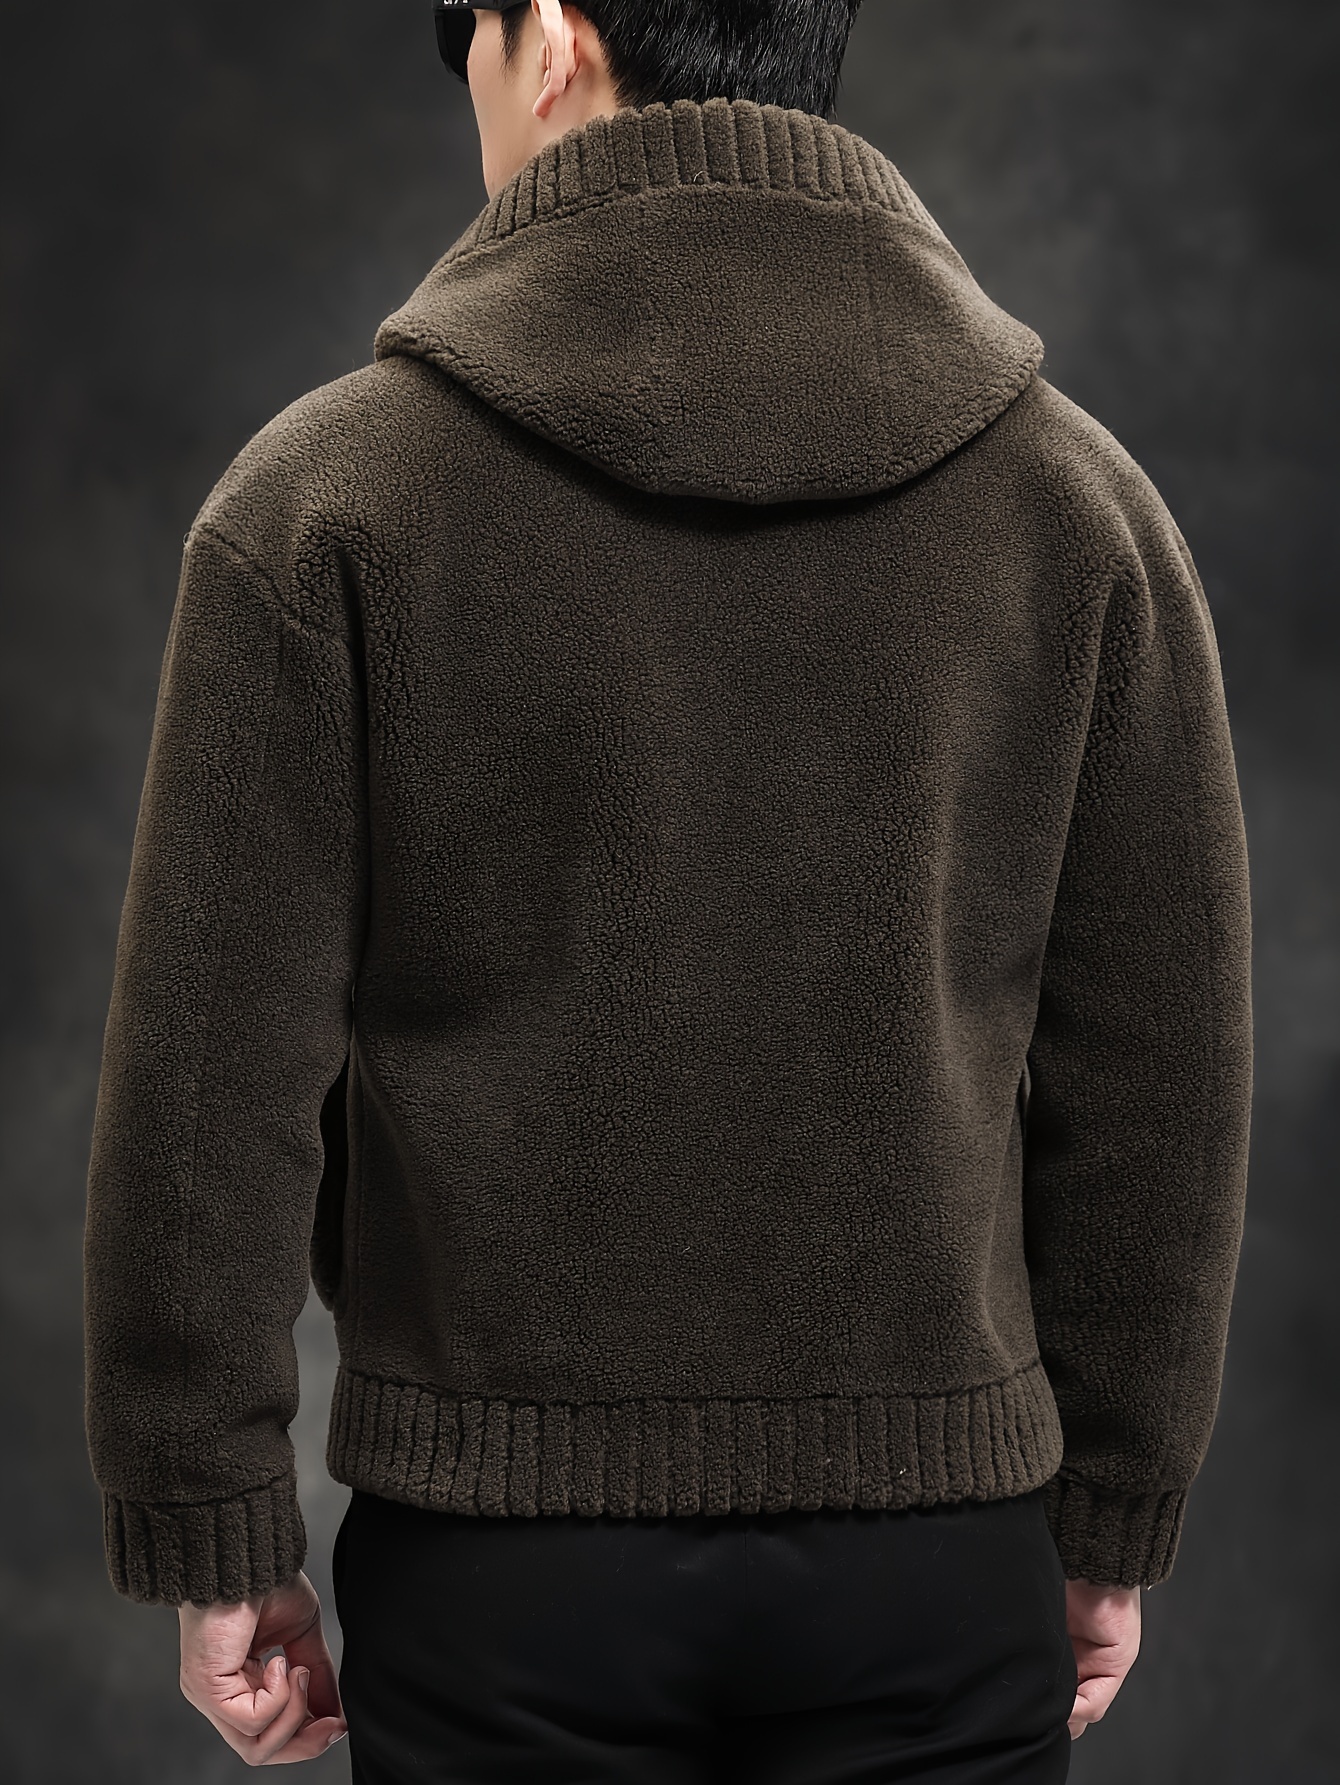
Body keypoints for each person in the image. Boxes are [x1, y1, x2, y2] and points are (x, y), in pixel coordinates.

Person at [82, 0, 1254, 1777]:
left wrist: (215, 1523)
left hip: (498, 1573)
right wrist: (1117, 1502)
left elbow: (210, 1082)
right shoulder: (1083, 511)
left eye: (468, 44)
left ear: (550, 37)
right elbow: (1160, 1072)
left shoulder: (321, 508)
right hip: (939, 1567)